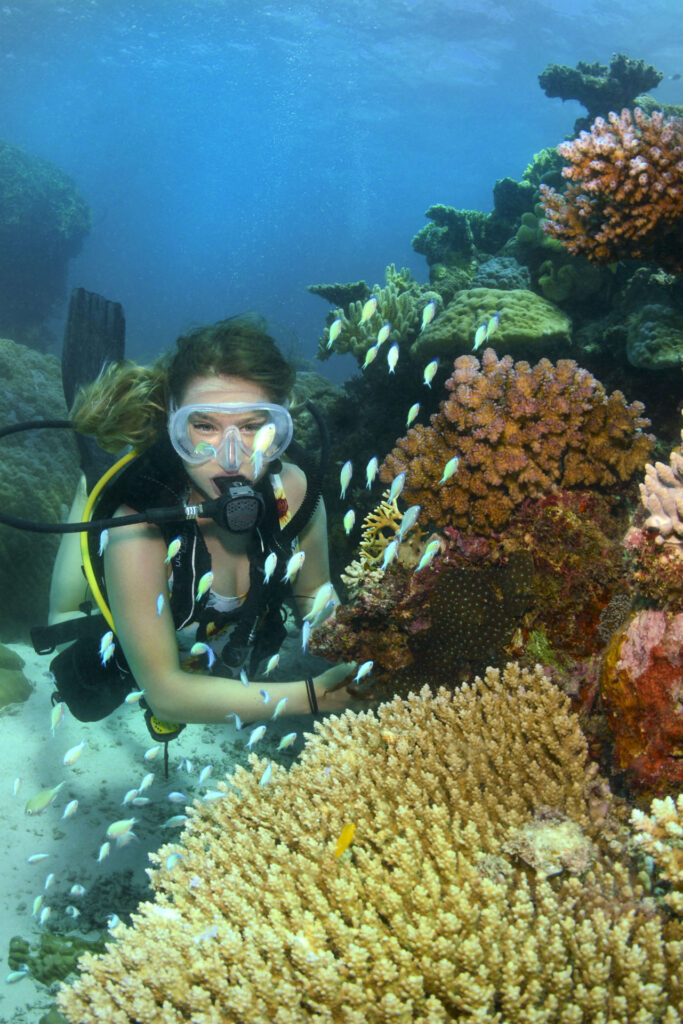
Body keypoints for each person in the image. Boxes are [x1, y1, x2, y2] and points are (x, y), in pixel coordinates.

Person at [48, 315, 356, 729]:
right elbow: (167, 697)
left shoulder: (295, 493)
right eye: (204, 426)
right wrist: (313, 697)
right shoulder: (137, 528)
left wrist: (359, 650)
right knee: (66, 630)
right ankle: (91, 481)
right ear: (174, 425)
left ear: (280, 425)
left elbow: (314, 592)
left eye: (252, 427)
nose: (230, 458)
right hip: (117, 555)